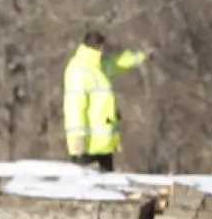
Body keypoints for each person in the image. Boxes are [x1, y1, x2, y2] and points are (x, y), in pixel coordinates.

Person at [63, 29, 149, 171]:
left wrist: (141, 56)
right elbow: (74, 108)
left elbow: (119, 62)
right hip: (87, 148)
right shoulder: (79, 70)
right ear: (100, 48)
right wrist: (77, 142)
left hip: (103, 145)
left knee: (107, 191)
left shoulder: (98, 65)